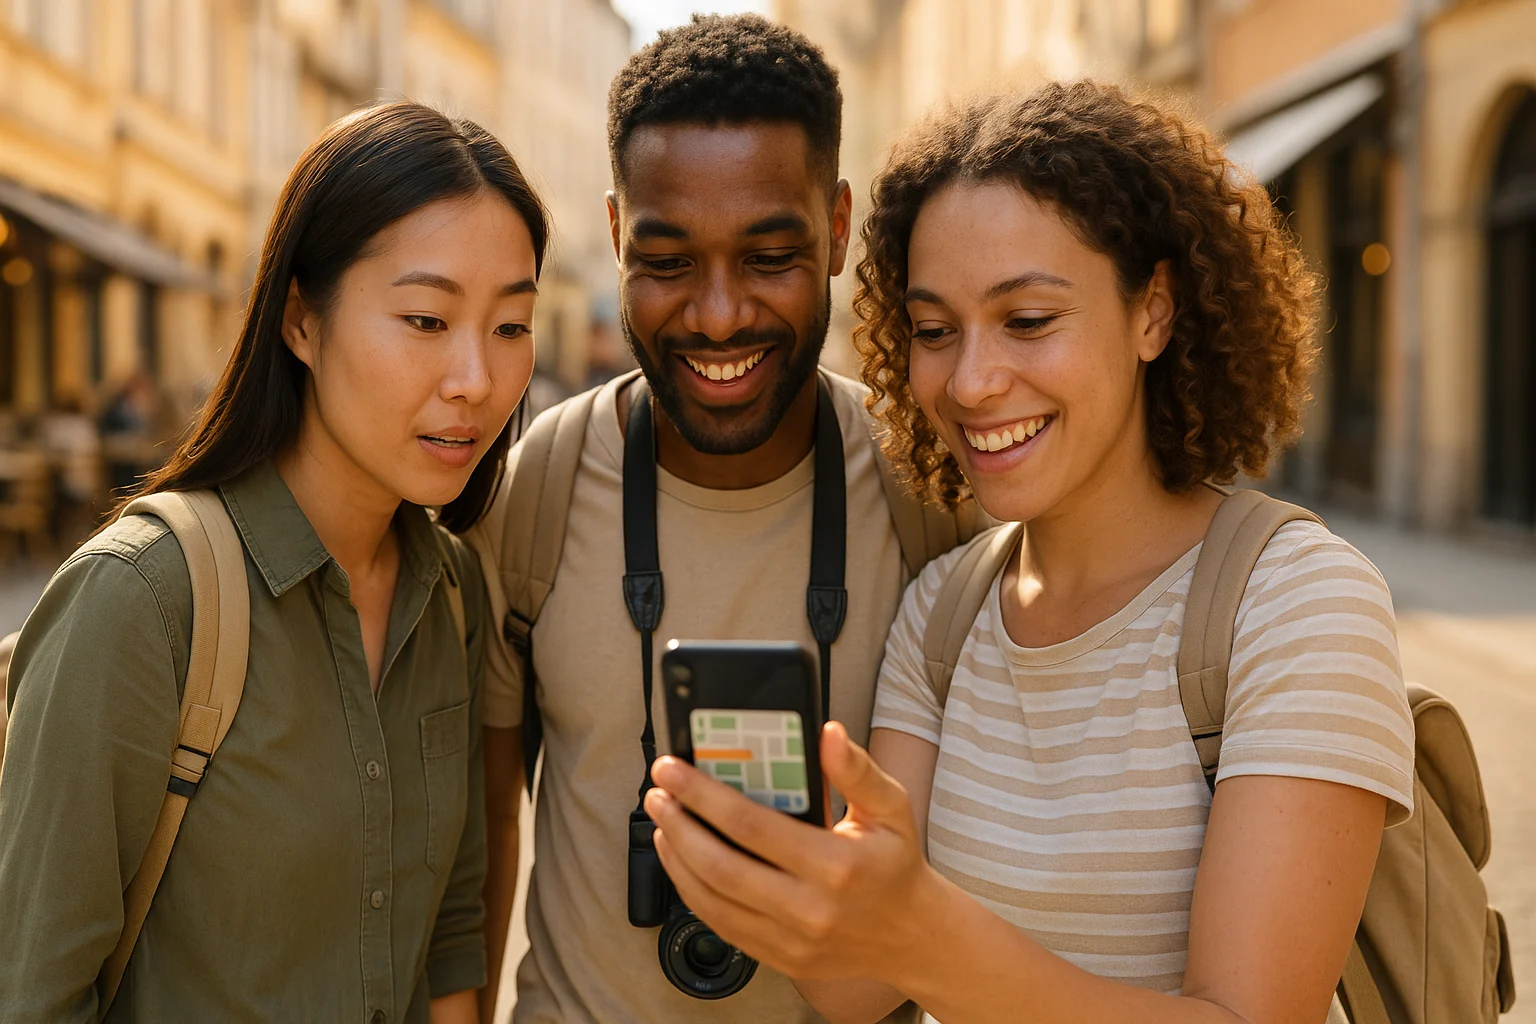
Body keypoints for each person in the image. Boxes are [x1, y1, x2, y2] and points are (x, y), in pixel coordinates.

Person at [641, 82, 1417, 1024]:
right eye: (934, 332)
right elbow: (854, 991)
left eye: (1029, 320)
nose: (971, 381)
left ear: (1154, 314)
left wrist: (926, 931)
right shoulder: (945, 612)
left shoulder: (1299, 602)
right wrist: (766, 870)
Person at [465, 15, 979, 1024]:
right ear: (616, 236)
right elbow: (482, 852)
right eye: (666, 261)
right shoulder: (540, 484)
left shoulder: (930, 492)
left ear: (836, 229)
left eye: (768, 256)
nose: (715, 314)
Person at [0, 102, 547, 1024]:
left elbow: (451, 928)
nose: (476, 380)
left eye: (509, 326)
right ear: (301, 321)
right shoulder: (142, 599)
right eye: (424, 319)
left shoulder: (451, 591)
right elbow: (31, 991)